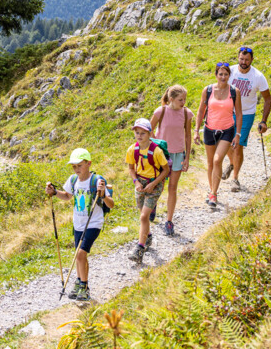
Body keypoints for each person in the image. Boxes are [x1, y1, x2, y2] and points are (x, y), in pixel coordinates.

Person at [45, 148, 114, 301]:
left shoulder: (97, 181)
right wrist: (54, 192)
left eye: (79, 165)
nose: (76, 169)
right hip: (78, 224)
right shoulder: (73, 180)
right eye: (74, 166)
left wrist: (102, 194)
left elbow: (111, 204)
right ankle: (79, 282)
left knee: (80, 254)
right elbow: (68, 196)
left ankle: (84, 286)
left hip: (93, 223)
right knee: (80, 257)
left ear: (88, 163)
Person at [223, 45, 271, 192]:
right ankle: (232, 164)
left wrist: (263, 120)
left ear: (252, 60)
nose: (243, 62)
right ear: (238, 58)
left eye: (246, 59)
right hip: (227, 111)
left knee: (237, 145)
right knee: (224, 143)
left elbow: (267, 99)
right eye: (241, 59)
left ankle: (235, 179)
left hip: (246, 114)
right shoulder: (230, 72)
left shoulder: (258, 77)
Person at [195, 62, 241, 210]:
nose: (223, 77)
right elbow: (201, 110)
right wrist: (196, 131)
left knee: (217, 160)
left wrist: (238, 134)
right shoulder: (207, 90)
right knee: (210, 163)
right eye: (220, 74)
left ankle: (214, 193)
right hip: (209, 129)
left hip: (227, 130)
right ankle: (212, 191)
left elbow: (239, 113)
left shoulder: (234, 91)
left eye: (225, 74)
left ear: (229, 76)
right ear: (216, 75)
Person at [125, 118, 170, 263]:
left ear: (150, 133)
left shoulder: (156, 151)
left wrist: (154, 184)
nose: (139, 136)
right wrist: (136, 181)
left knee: (144, 216)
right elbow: (131, 168)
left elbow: (166, 170)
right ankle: (148, 236)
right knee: (143, 214)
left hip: (154, 184)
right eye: (137, 133)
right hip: (140, 183)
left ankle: (139, 248)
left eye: (142, 133)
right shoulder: (132, 150)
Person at [151, 85, 193, 236]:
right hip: (162, 155)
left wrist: (187, 157)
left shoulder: (186, 113)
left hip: (178, 155)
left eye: (184, 99)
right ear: (171, 99)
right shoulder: (160, 111)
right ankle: (153, 204)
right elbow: (149, 129)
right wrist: (156, 145)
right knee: (159, 185)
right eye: (180, 100)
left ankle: (169, 221)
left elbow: (188, 135)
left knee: (173, 188)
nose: (183, 102)